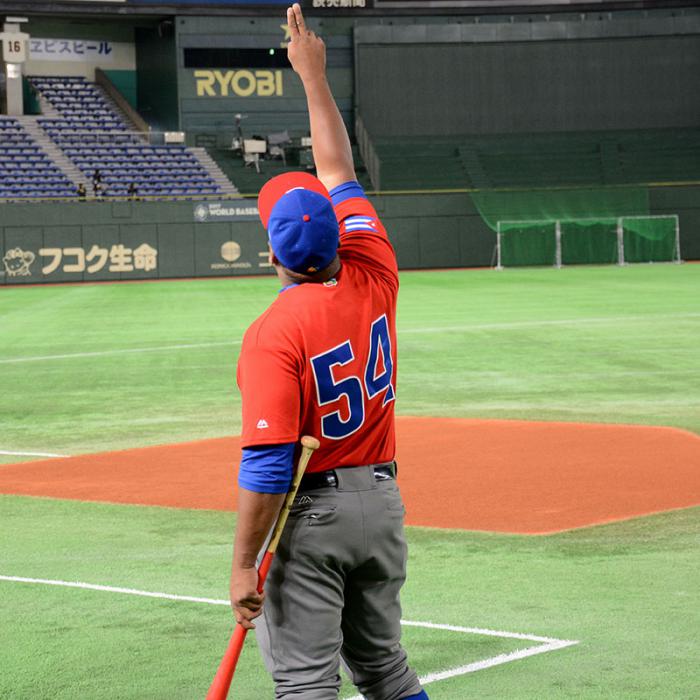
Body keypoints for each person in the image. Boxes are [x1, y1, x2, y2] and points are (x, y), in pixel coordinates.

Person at [229, 5, 428, 700]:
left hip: (312, 517)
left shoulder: (272, 333)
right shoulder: (375, 268)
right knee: (385, 671)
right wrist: (313, 75)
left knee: (307, 685)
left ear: (273, 253)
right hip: (384, 504)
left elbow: (269, 463)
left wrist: (242, 564)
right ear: (338, 238)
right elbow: (337, 165)